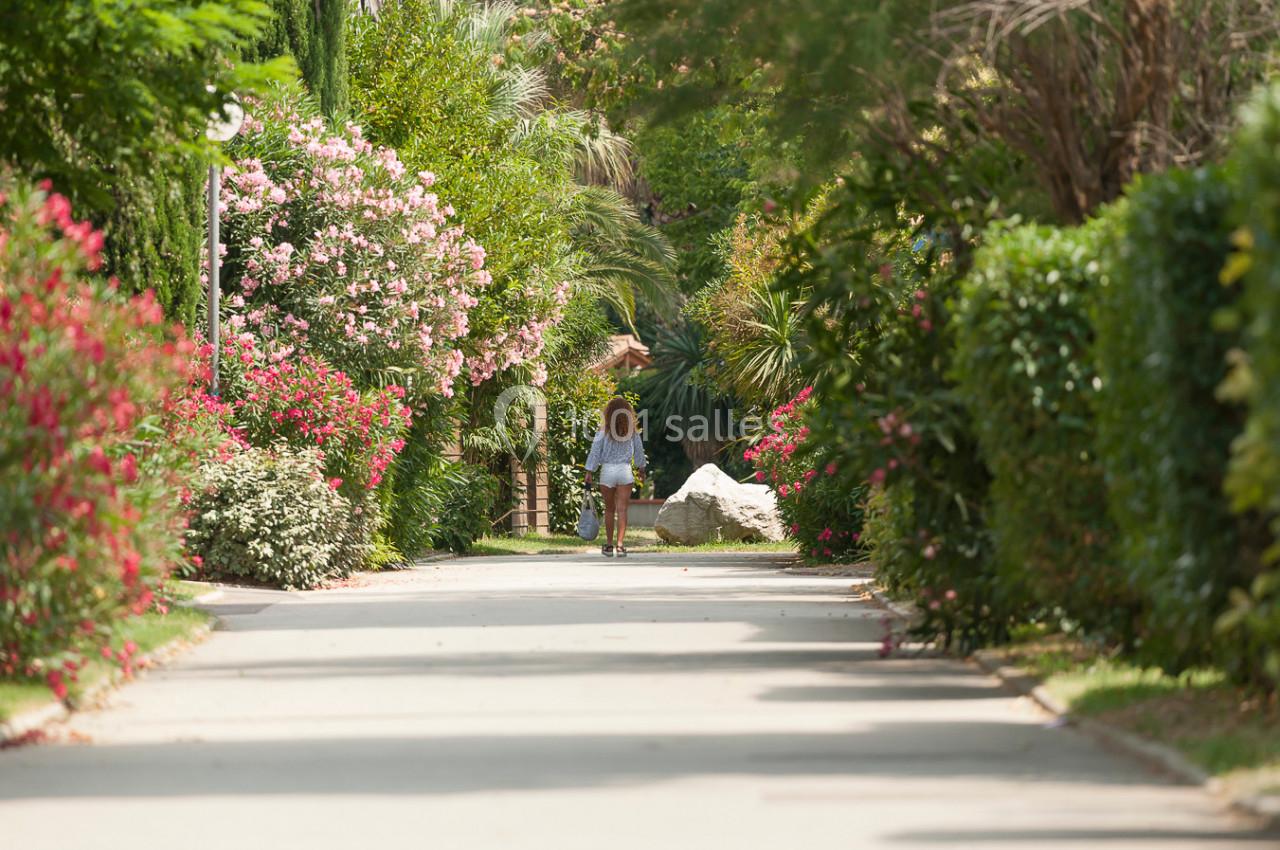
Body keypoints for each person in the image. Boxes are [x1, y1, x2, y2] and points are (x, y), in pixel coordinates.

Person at [584, 396, 646, 557]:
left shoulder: (602, 432)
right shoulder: (632, 432)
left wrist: (589, 471)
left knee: (609, 510)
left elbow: (595, 452)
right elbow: (639, 451)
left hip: (607, 471)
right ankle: (620, 545)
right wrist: (641, 469)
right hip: (625, 471)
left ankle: (609, 546)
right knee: (623, 510)